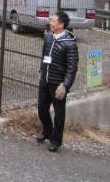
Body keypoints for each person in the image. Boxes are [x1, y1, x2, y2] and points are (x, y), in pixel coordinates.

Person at [37, 11, 79, 152]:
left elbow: (72, 68)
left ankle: (56, 140)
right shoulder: (48, 37)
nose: (50, 23)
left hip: (58, 84)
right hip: (45, 80)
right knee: (42, 109)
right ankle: (47, 131)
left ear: (61, 24)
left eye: (53, 21)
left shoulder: (70, 44)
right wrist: (41, 71)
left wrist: (65, 85)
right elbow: (44, 56)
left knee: (59, 114)